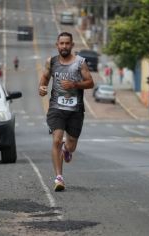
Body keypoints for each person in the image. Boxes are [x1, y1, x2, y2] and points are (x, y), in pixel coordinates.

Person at [38, 32, 94, 192]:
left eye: (67, 43)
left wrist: (75, 85)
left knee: (71, 145)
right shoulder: (52, 61)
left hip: (75, 110)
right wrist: (42, 88)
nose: (64, 46)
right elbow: (45, 77)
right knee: (56, 140)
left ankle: (66, 150)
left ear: (72, 45)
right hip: (56, 108)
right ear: (57, 45)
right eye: (61, 43)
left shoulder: (80, 63)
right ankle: (59, 178)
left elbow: (90, 82)